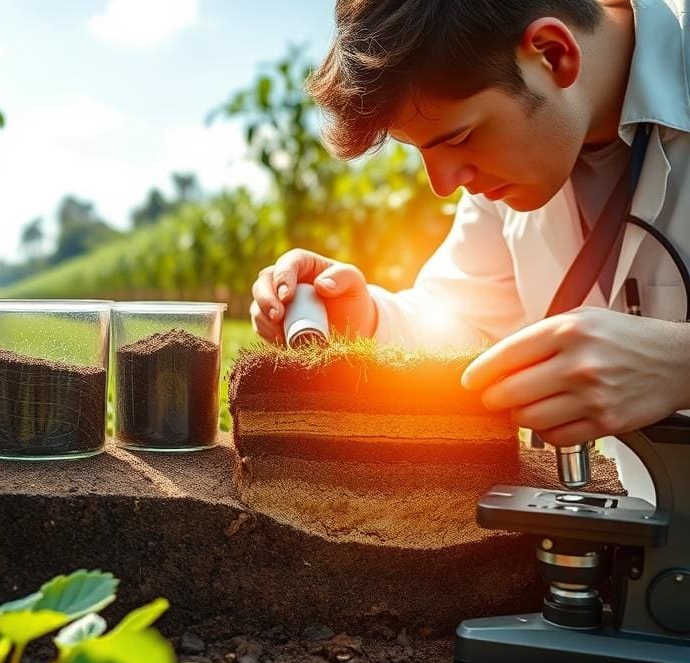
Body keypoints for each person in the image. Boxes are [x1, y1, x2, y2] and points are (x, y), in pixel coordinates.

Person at [250, 0, 690, 500]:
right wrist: (367, 318)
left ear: (552, 54)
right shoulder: (507, 180)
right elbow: (466, 327)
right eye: (423, 151)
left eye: (459, 136)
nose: (443, 185)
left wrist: (680, 364)